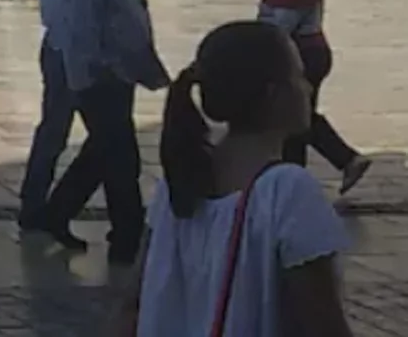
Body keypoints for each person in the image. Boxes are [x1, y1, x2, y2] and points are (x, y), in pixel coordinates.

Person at [118, 21, 353, 337]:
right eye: (299, 76)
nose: (308, 88)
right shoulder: (287, 193)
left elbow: (132, 307)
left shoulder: (175, 187)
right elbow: (323, 326)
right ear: (273, 94)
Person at [37, 0, 170, 264]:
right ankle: (126, 236)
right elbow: (82, 24)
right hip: (100, 76)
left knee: (103, 152)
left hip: (117, 73)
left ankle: (58, 212)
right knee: (121, 157)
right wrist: (97, 70)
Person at [17, 0, 105, 236]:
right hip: (68, 51)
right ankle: (46, 207)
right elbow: (65, 11)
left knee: (58, 131)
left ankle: (40, 204)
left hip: (62, 47)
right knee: (75, 133)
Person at [259, 0, 372, 194]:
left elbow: (282, 23)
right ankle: (333, 164)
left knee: (295, 118)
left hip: (302, 55)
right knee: (297, 116)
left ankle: (322, 169)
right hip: (297, 52)